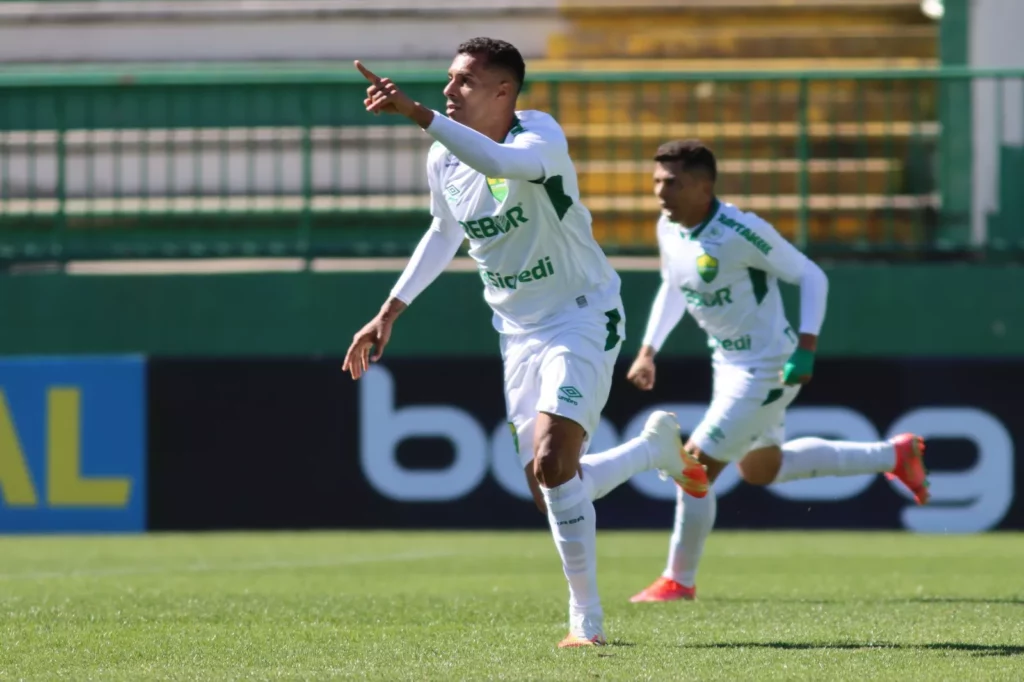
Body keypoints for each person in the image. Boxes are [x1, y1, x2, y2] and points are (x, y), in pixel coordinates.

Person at [341, 38, 708, 647]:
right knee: (550, 488)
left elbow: (502, 167)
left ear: (503, 92)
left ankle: (585, 623)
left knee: (551, 461)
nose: (448, 90)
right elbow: (443, 230)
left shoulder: (538, 137)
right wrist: (390, 310)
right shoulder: (444, 159)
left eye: (462, 81)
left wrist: (414, 114)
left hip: (580, 314)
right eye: (448, 80)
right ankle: (651, 452)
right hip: (517, 332)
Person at [623, 140, 930, 603]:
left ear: (704, 187)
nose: (661, 192)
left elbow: (811, 275)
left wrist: (807, 346)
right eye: (657, 181)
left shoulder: (740, 230)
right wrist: (648, 349)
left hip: (768, 366)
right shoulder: (669, 227)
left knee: (695, 467)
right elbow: (672, 286)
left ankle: (677, 581)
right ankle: (895, 456)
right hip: (726, 363)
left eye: (673, 182)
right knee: (762, 470)